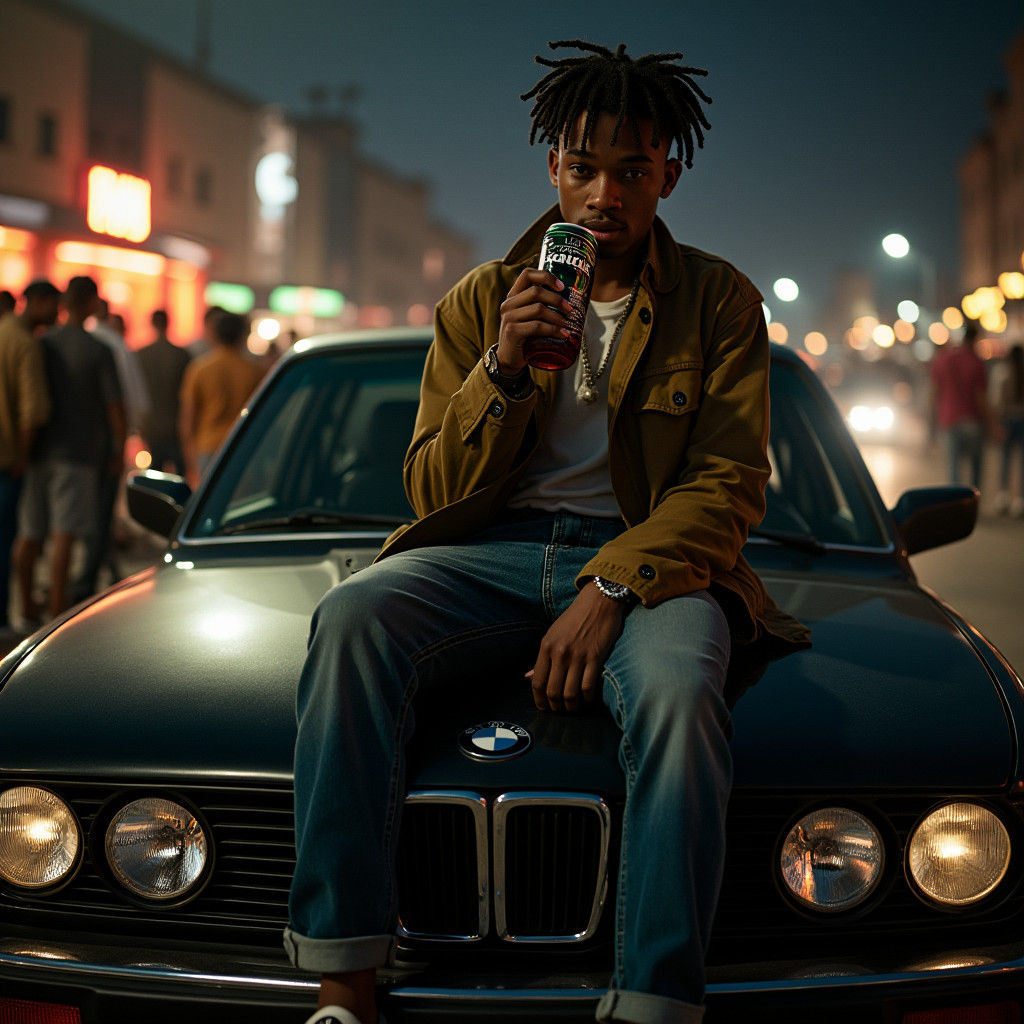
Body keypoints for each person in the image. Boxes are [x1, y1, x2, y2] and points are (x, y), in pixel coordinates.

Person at [285, 40, 810, 1024]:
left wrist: (609, 587)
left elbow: (728, 482)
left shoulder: (719, 301)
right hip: (488, 551)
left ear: (668, 176)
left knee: (679, 689)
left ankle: (653, 1001)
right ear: (552, 167)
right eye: (583, 167)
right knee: (350, 617)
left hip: (648, 564)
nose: (603, 195)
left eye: (631, 171)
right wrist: (504, 371)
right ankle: (342, 979)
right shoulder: (482, 300)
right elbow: (428, 491)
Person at [13, 276, 124, 624]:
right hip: (79, 453)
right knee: (65, 534)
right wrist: (118, 448)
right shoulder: (98, 349)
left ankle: (26, 606)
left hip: (39, 450)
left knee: (30, 532)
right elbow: (114, 406)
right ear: (91, 302)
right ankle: (58, 611)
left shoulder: (43, 343)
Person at [70, 298, 150, 602]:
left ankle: (89, 575)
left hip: (67, 445)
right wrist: (122, 441)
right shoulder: (110, 346)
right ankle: (88, 579)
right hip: (102, 444)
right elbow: (128, 399)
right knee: (100, 512)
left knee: (74, 518)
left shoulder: (58, 341)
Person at [0, 281, 57, 638]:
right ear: (36, 302)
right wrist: (23, 456)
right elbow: (33, 411)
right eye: (53, 305)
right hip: (6, 458)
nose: (57, 313)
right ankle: (2, 617)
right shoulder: (26, 344)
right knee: (5, 537)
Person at [178, 311, 264, 485]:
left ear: (214, 335)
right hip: (244, 447)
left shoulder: (200, 369)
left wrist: (190, 460)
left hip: (207, 448)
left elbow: (188, 420)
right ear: (242, 335)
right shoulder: (256, 371)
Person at [929, 322, 996, 489]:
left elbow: (934, 392)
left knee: (954, 467)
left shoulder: (943, 359)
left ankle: (955, 503)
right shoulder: (976, 362)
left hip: (949, 419)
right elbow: (981, 397)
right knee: (976, 467)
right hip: (972, 420)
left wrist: (932, 422)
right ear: (974, 339)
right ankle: (974, 499)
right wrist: (992, 424)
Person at [136, 309, 190, 476]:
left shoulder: (140, 355)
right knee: (179, 476)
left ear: (152, 324)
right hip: (176, 424)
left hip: (151, 425)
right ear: (168, 323)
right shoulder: (181, 355)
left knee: (153, 476)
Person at [990, 342, 1024, 516]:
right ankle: (1020, 501)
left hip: (1009, 421)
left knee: (1006, 460)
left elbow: (998, 402)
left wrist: (996, 424)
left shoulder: (1004, 375)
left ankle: (1003, 496)